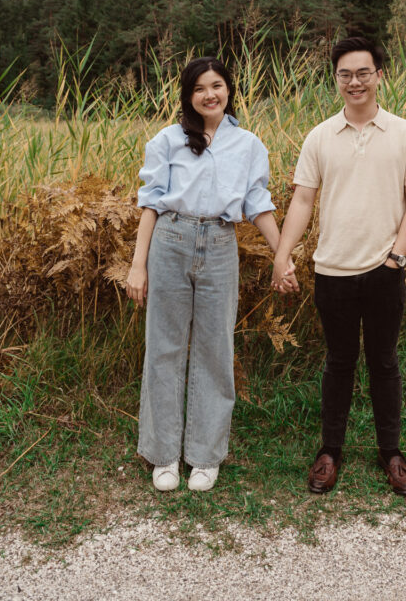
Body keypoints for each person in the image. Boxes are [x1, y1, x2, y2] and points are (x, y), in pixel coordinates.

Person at [271, 36, 406, 497]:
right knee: (338, 363)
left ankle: (391, 454)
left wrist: (395, 257)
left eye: (363, 73)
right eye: (345, 74)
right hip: (332, 271)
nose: (354, 81)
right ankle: (330, 453)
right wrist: (284, 254)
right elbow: (303, 199)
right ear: (336, 79)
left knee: (384, 362)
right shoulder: (320, 136)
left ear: (379, 75)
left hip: (385, 269)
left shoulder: (404, 133)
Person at [125, 57, 283, 492]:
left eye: (217, 85)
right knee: (164, 347)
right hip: (171, 241)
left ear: (229, 90)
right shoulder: (167, 140)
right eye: (199, 88)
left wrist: (281, 256)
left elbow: (258, 203)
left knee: (215, 348)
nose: (209, 94)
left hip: (219, 243)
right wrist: (138, 266)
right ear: (187, 95)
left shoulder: (248, 144)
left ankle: (205, 456)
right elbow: (151, 203)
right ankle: (163, 455)